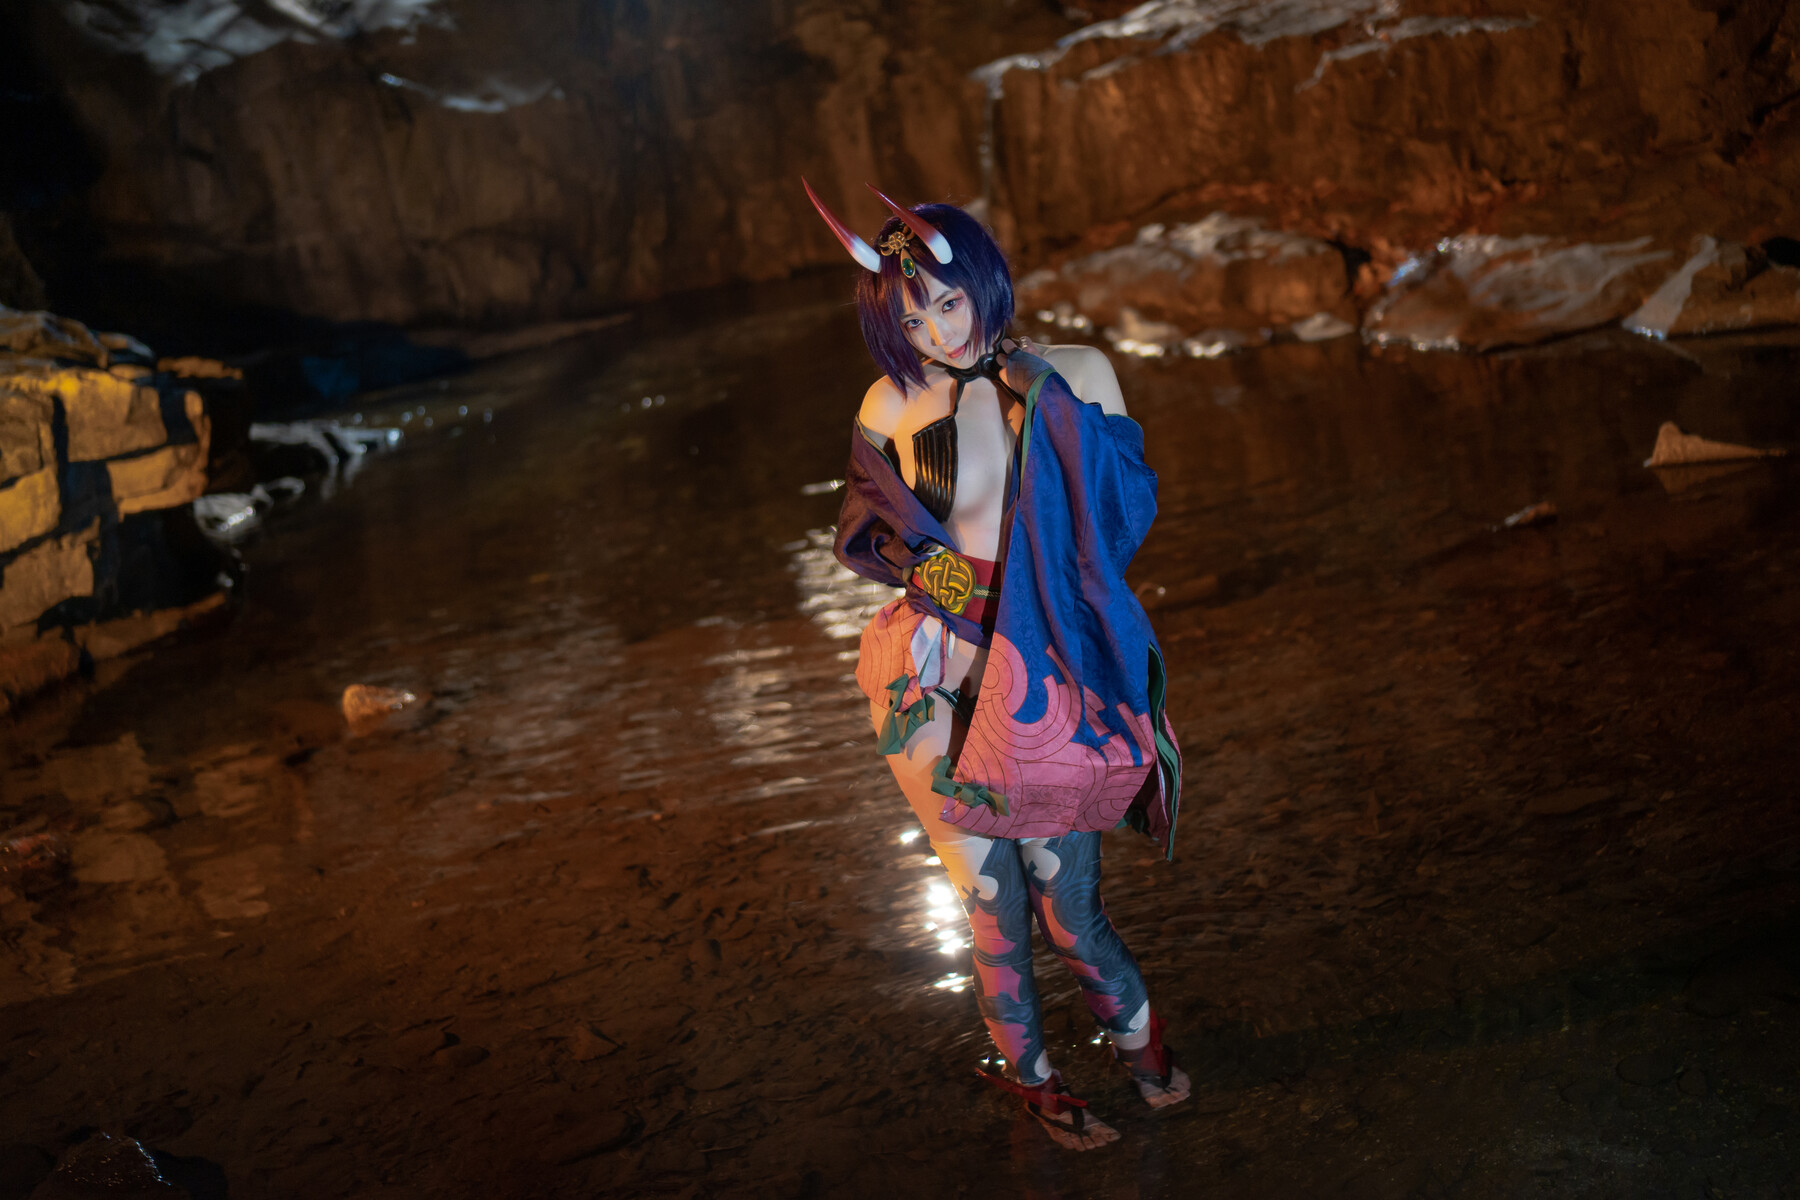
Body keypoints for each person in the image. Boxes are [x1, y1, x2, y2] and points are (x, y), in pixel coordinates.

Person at [809, 181, 1189, 1150]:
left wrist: (1040, 393)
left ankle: (1141, 1050)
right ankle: (1038, 1084)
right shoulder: (889, 402)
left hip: (1045, 665)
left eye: (947, 301)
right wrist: (948, 589)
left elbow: (1122, 516)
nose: (937, 331)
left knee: (1072, 910)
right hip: (930, 671)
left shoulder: (1078, 372)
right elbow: (867, 534)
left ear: (984, 279)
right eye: (911, 319)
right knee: (992, 906)